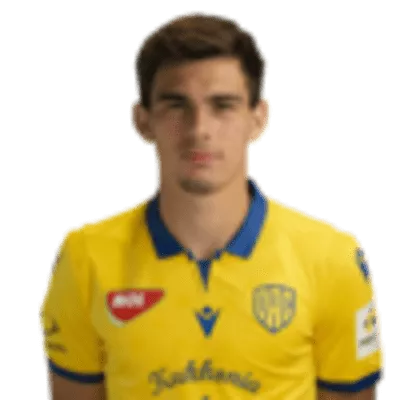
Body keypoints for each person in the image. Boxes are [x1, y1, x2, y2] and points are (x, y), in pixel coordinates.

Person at [38, 9, 385, 400]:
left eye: (223, 105)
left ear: (259, 119)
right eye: (176, 105)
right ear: (142, 120)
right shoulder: (83, 258)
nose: (200, 129)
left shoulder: (333, 258)